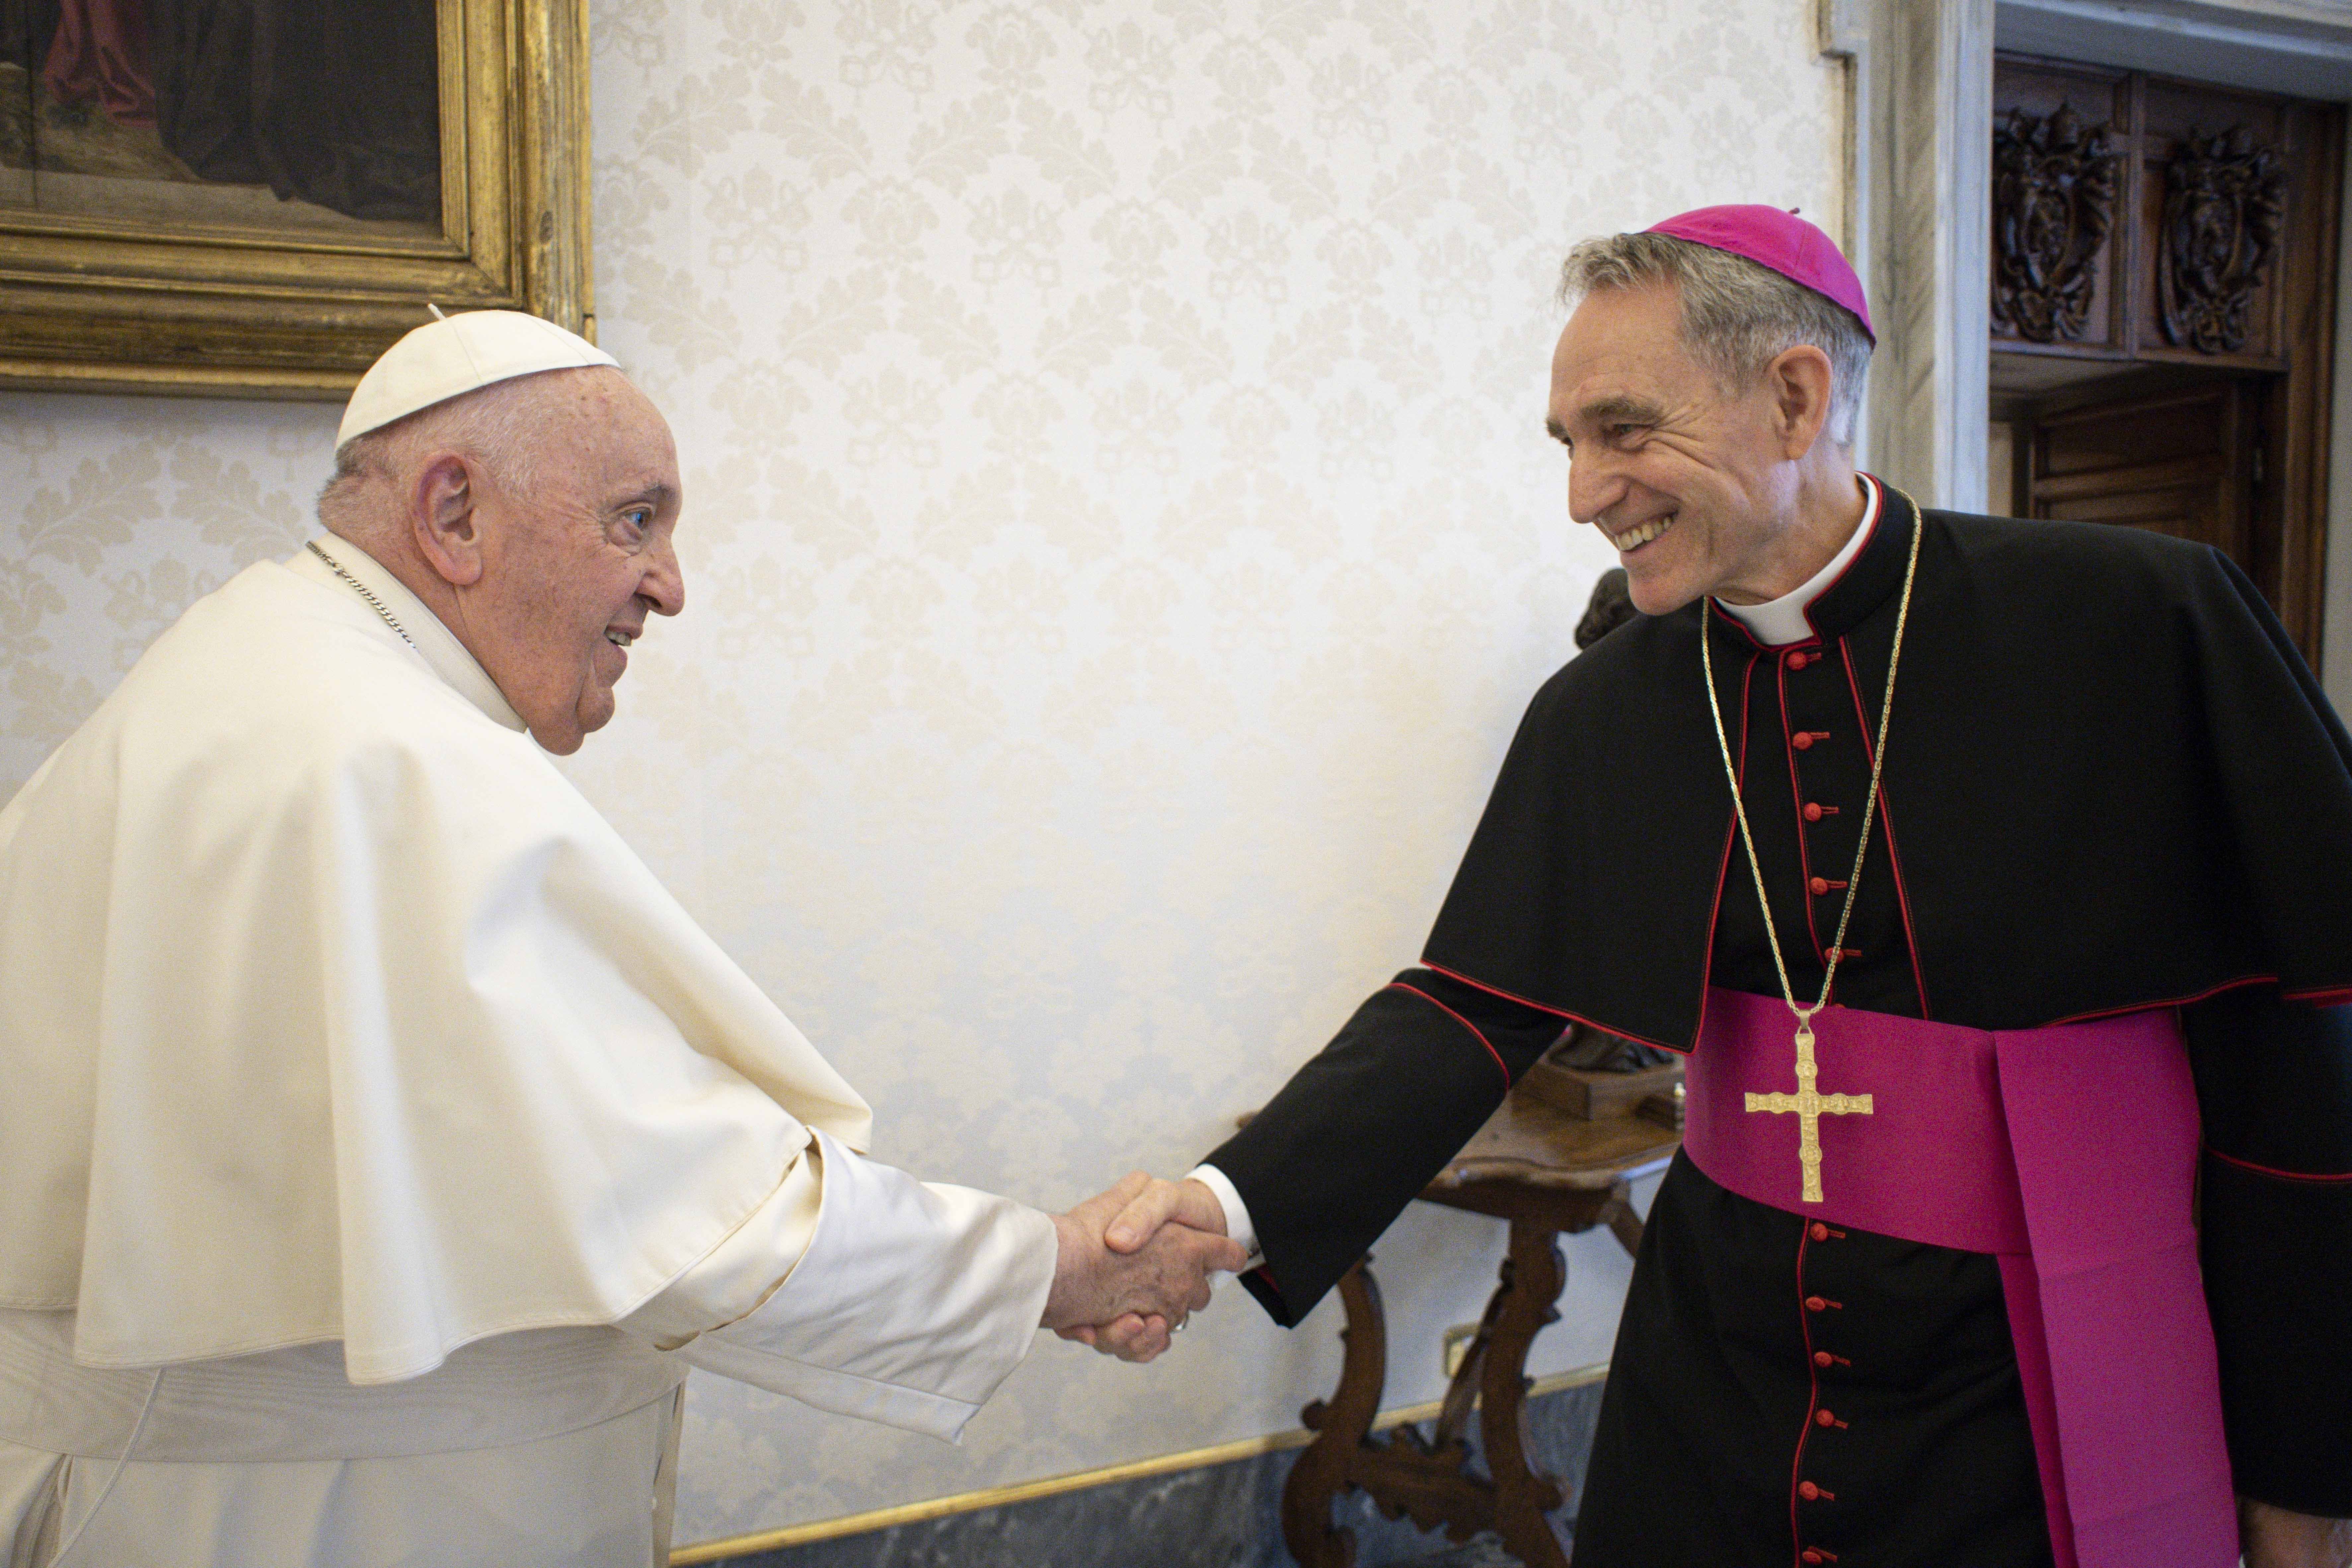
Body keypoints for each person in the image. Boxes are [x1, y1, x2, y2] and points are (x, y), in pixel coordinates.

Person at [1086, 207, 2352, 1568]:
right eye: (1567, 444)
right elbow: (1463, 1008)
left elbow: (2295, 1096)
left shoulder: (2138, 622)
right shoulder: (1608, 704)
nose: (1582, 492)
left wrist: (2304, 1486)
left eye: (1620, 431)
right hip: (1716, 1374)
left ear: (1793, 397)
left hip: (2040, 1364)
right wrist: (1219, 1212)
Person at [0, 309, 1242, 1568]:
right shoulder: (378, 759)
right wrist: (1056, 1270)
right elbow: (688, 1210)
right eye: (634, 521)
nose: (671, 585)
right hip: (319, 1520)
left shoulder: (265, 670)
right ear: (454, 515)